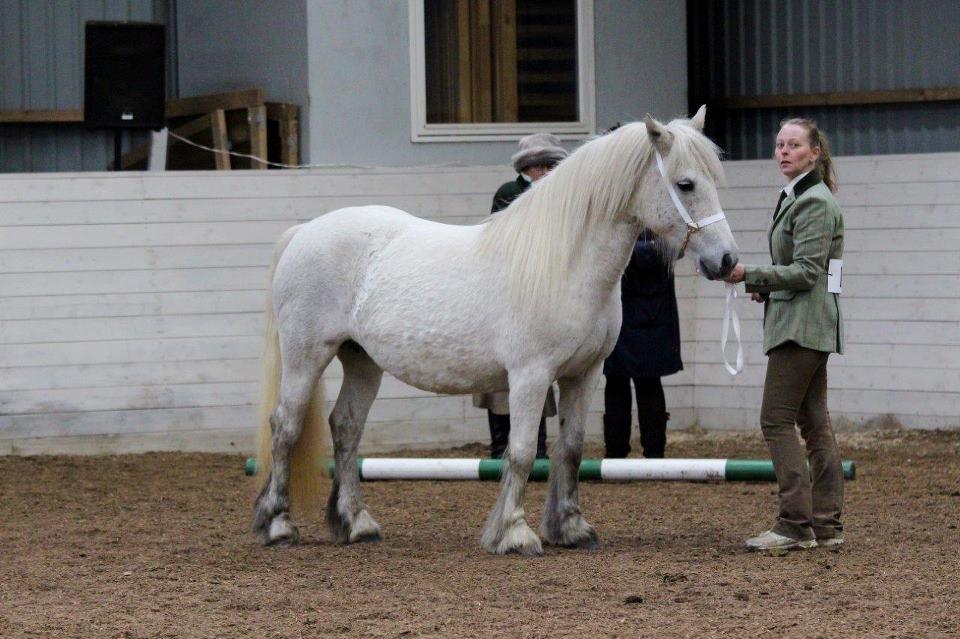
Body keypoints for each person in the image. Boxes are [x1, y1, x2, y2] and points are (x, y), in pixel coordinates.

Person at [723, 117, 845, 552]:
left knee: (775, 419)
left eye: (793, 145)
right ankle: (826, 524)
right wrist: (766, 288)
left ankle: (795, 523)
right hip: (808, 322)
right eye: (779, 145)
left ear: (815, 152)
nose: (783, 151)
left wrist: (748, 275)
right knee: (814, 425)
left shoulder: (813, 202)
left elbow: (808, 271)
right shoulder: (801, 196)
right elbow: (806, 273)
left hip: (801, 329)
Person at [472, 132, 568, 459]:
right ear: (534, 167)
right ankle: (501, 445)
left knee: (536, 375)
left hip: (541, 294)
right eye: (546, 166)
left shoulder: (560, 196)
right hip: (508, 290)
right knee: (500, 383)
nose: (551, 172)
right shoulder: (509, 193)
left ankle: (537, 448)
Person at [602, 229, 682, 459]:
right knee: (647, 383)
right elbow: (678, 246)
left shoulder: (623, 215)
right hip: (651, 311)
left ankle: (617, 453)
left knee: (619, 382)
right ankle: (653, 452)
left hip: (623, 307)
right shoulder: (663, 219)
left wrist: (627, 248)